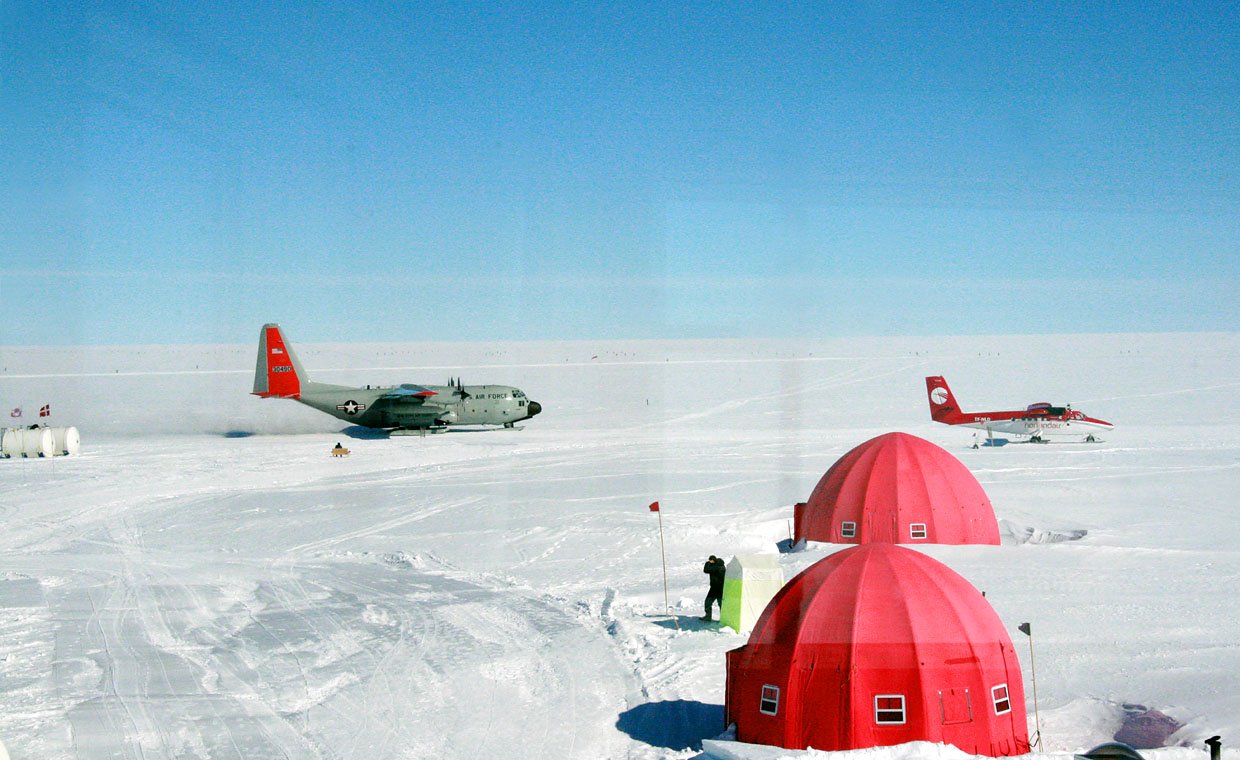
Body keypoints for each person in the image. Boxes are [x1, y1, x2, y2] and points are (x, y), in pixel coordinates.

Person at [701, 555, 726, 621]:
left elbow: (706, 570)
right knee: (713, 603)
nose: (710, 561)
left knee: (710, 602)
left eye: (710, 560)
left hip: (718, 589)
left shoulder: (717, 567)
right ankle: (709, 617)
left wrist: (707, 563)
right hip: (717, 588)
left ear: (713, 560)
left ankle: (709, 617)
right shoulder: (720, 565)